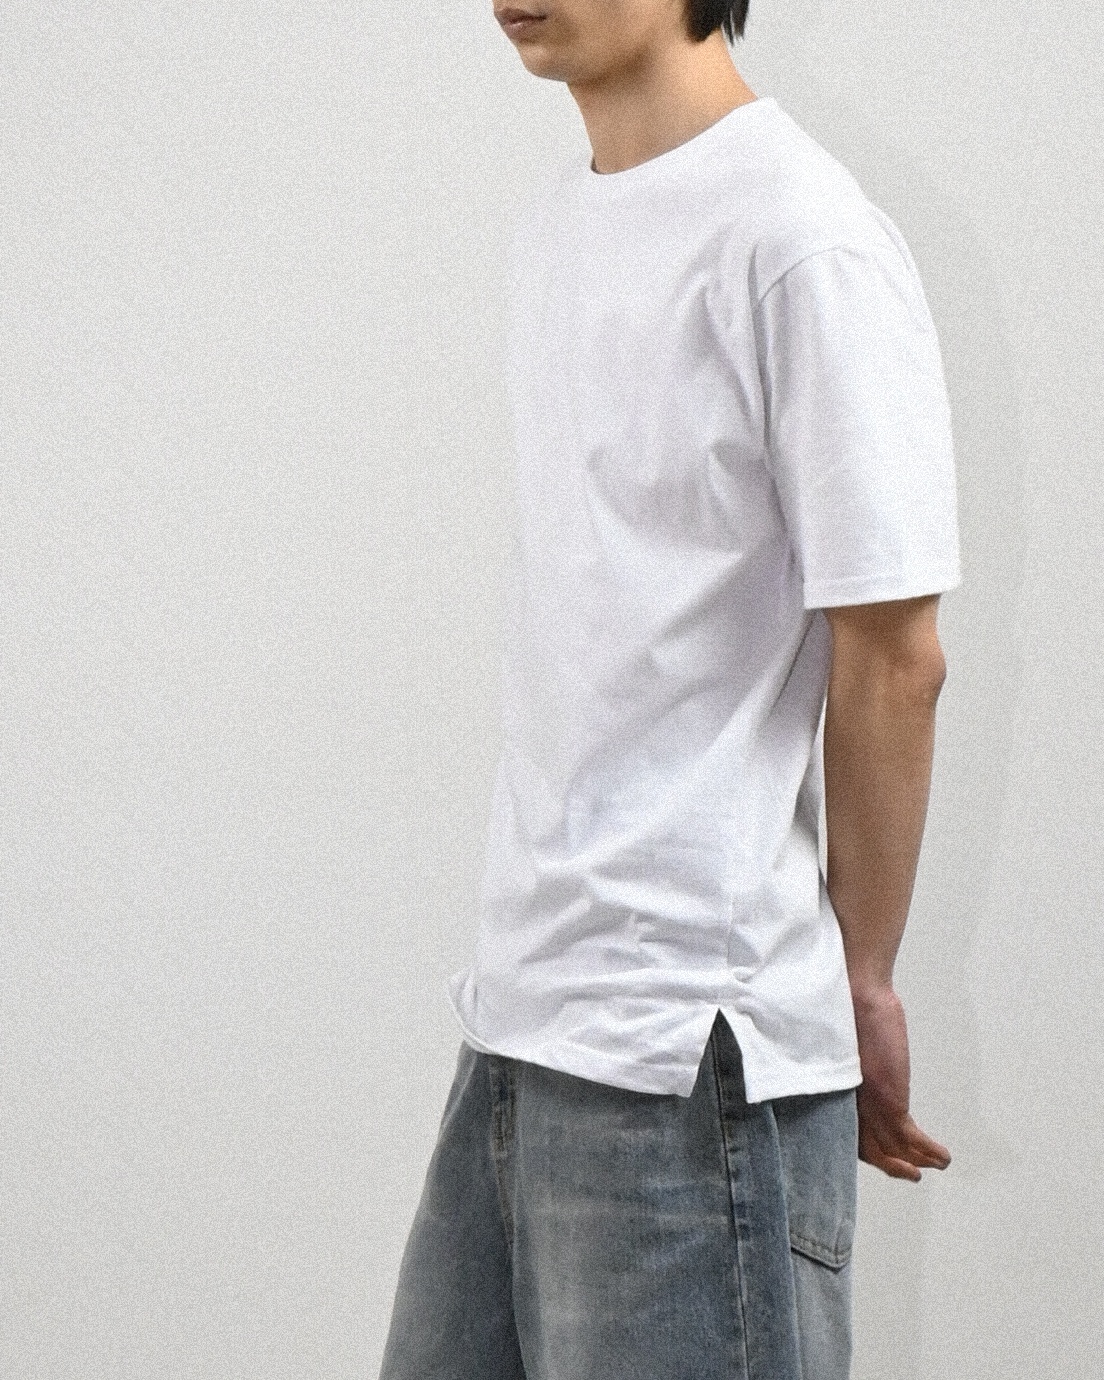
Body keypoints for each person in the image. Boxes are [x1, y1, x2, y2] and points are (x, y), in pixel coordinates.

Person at [379, 1, 960, 1376]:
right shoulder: (561, 223)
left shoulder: (800, 239)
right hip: (524, 1017)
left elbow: (895, 651)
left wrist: (862, 977)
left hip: (695, 1052)